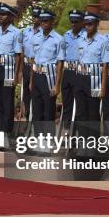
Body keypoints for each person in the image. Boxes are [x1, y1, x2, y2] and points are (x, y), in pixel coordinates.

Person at [73, 12, 108, 158]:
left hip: (94, 80)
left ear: (97, 24)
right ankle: (82, 145)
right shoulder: (80, 39)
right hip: (81, 78)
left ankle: (92, 146)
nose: (88, 27)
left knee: (93, 114)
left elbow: (105, 66)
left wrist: (103, 87)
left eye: (91, 24)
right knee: (81, 113)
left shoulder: (102, 41)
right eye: (86, 24)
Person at [0, 1, 22, 150]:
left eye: (3, 14)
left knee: (8, 104)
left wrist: (16, 75)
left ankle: (7, 138)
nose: (0, 17)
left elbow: (18, 56)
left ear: (11, 16)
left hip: (8, 70)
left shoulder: (16, 33)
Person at [28, 8, 64, 151]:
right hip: (37, 75)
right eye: (41, 20)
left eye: (46, 21)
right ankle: (38, 140)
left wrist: (57, 85)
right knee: (37, 110)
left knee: (48, 111)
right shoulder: (35, 37)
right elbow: (32, 61)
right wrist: (31, 81)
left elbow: (60, 63)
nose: (43, 23)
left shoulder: (58, 39)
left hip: (49, 77)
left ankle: (48, 143)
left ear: (52, 21)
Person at [60, 10, 85, 132]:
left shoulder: (86, 36)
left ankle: (78, 133)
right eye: (72, 21)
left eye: (76, 21)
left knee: (80, 105)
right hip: (67, 72)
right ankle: (67, 131)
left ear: (82, 22)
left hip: (79, 72)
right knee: (67, 103)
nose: (73, 24)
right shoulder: (66, 35)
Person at [20, 6, 41, 121]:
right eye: (34, 16)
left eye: (37, 17)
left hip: (36, 66)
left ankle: (34, 117)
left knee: (34, 91)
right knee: (26, 93)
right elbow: (22, 49)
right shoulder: (26, 31)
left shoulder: (43, 32)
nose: (35, 19)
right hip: (26, 64)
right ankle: (28, 115)